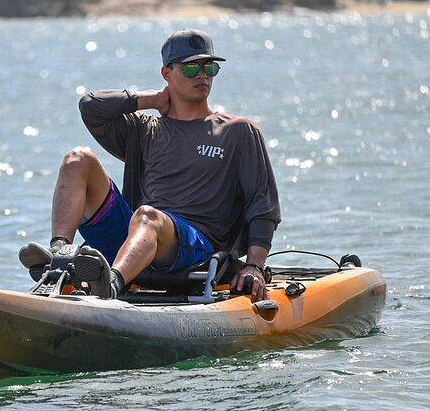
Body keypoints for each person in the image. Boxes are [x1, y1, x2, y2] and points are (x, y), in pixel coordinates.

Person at [20, 28, 281, 301]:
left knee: (148, 216)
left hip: (194, 248)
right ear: (167, 74)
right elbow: (90, 106)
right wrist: (150, 100)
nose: (202, 75)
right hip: (137, 236)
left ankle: (111, 284)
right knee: (77, 160)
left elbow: (263, 206)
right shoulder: (145, 129)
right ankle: (60, 255)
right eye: (191, 67)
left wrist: (254, 266)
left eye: (209, 67)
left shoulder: (238, 130)